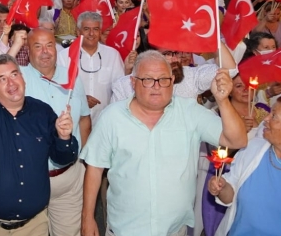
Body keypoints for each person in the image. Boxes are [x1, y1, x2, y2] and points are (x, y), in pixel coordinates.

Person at [80, 50, 248, 236]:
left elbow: (237, 140)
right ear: (133, 82)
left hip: (174, 230)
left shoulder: (190, 113)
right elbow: (95, 169)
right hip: (124, 230)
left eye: (163, 79)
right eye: (148, 80)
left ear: (172, 81)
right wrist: (88, 218)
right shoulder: (112, 117)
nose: (157, 86)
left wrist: (223, 101)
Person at [0, 2, 78, 235]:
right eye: (1, 79)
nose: (11, 83)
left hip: (33, 225)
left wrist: (64, 138)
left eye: (14, 75)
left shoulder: (42, 112)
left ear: (23, 78)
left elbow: (63, 157)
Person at [10, 27, 91, 235]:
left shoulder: (72, 76)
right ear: (28, 51)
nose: (45, 51)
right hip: (30, 180)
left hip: (68, 180)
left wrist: (82, 160)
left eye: (49, 45)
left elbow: (83, 118)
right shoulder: (17, 79)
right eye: (37, 46)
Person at [209, 99, 281, 236]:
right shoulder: (253, 149)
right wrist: (222, 187)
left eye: (274, 116)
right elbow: (230, 194)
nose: (265, 118)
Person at [111, 43, 237, 102]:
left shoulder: (191, 76)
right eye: (167, 54)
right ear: (151, 55)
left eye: (176, 53)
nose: (175, 59)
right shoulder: (125, 86)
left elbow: (230, 70)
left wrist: (211, 38)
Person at [60, 12, 124, 125]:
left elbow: (120, 90)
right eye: (86, 29)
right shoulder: (64, 56)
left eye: (95, 29)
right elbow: (58, 90)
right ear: (78, 32)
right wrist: (80, 100)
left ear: (100, 32)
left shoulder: (113, 55)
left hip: (104, 121)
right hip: (73, 120)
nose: (91, 33)